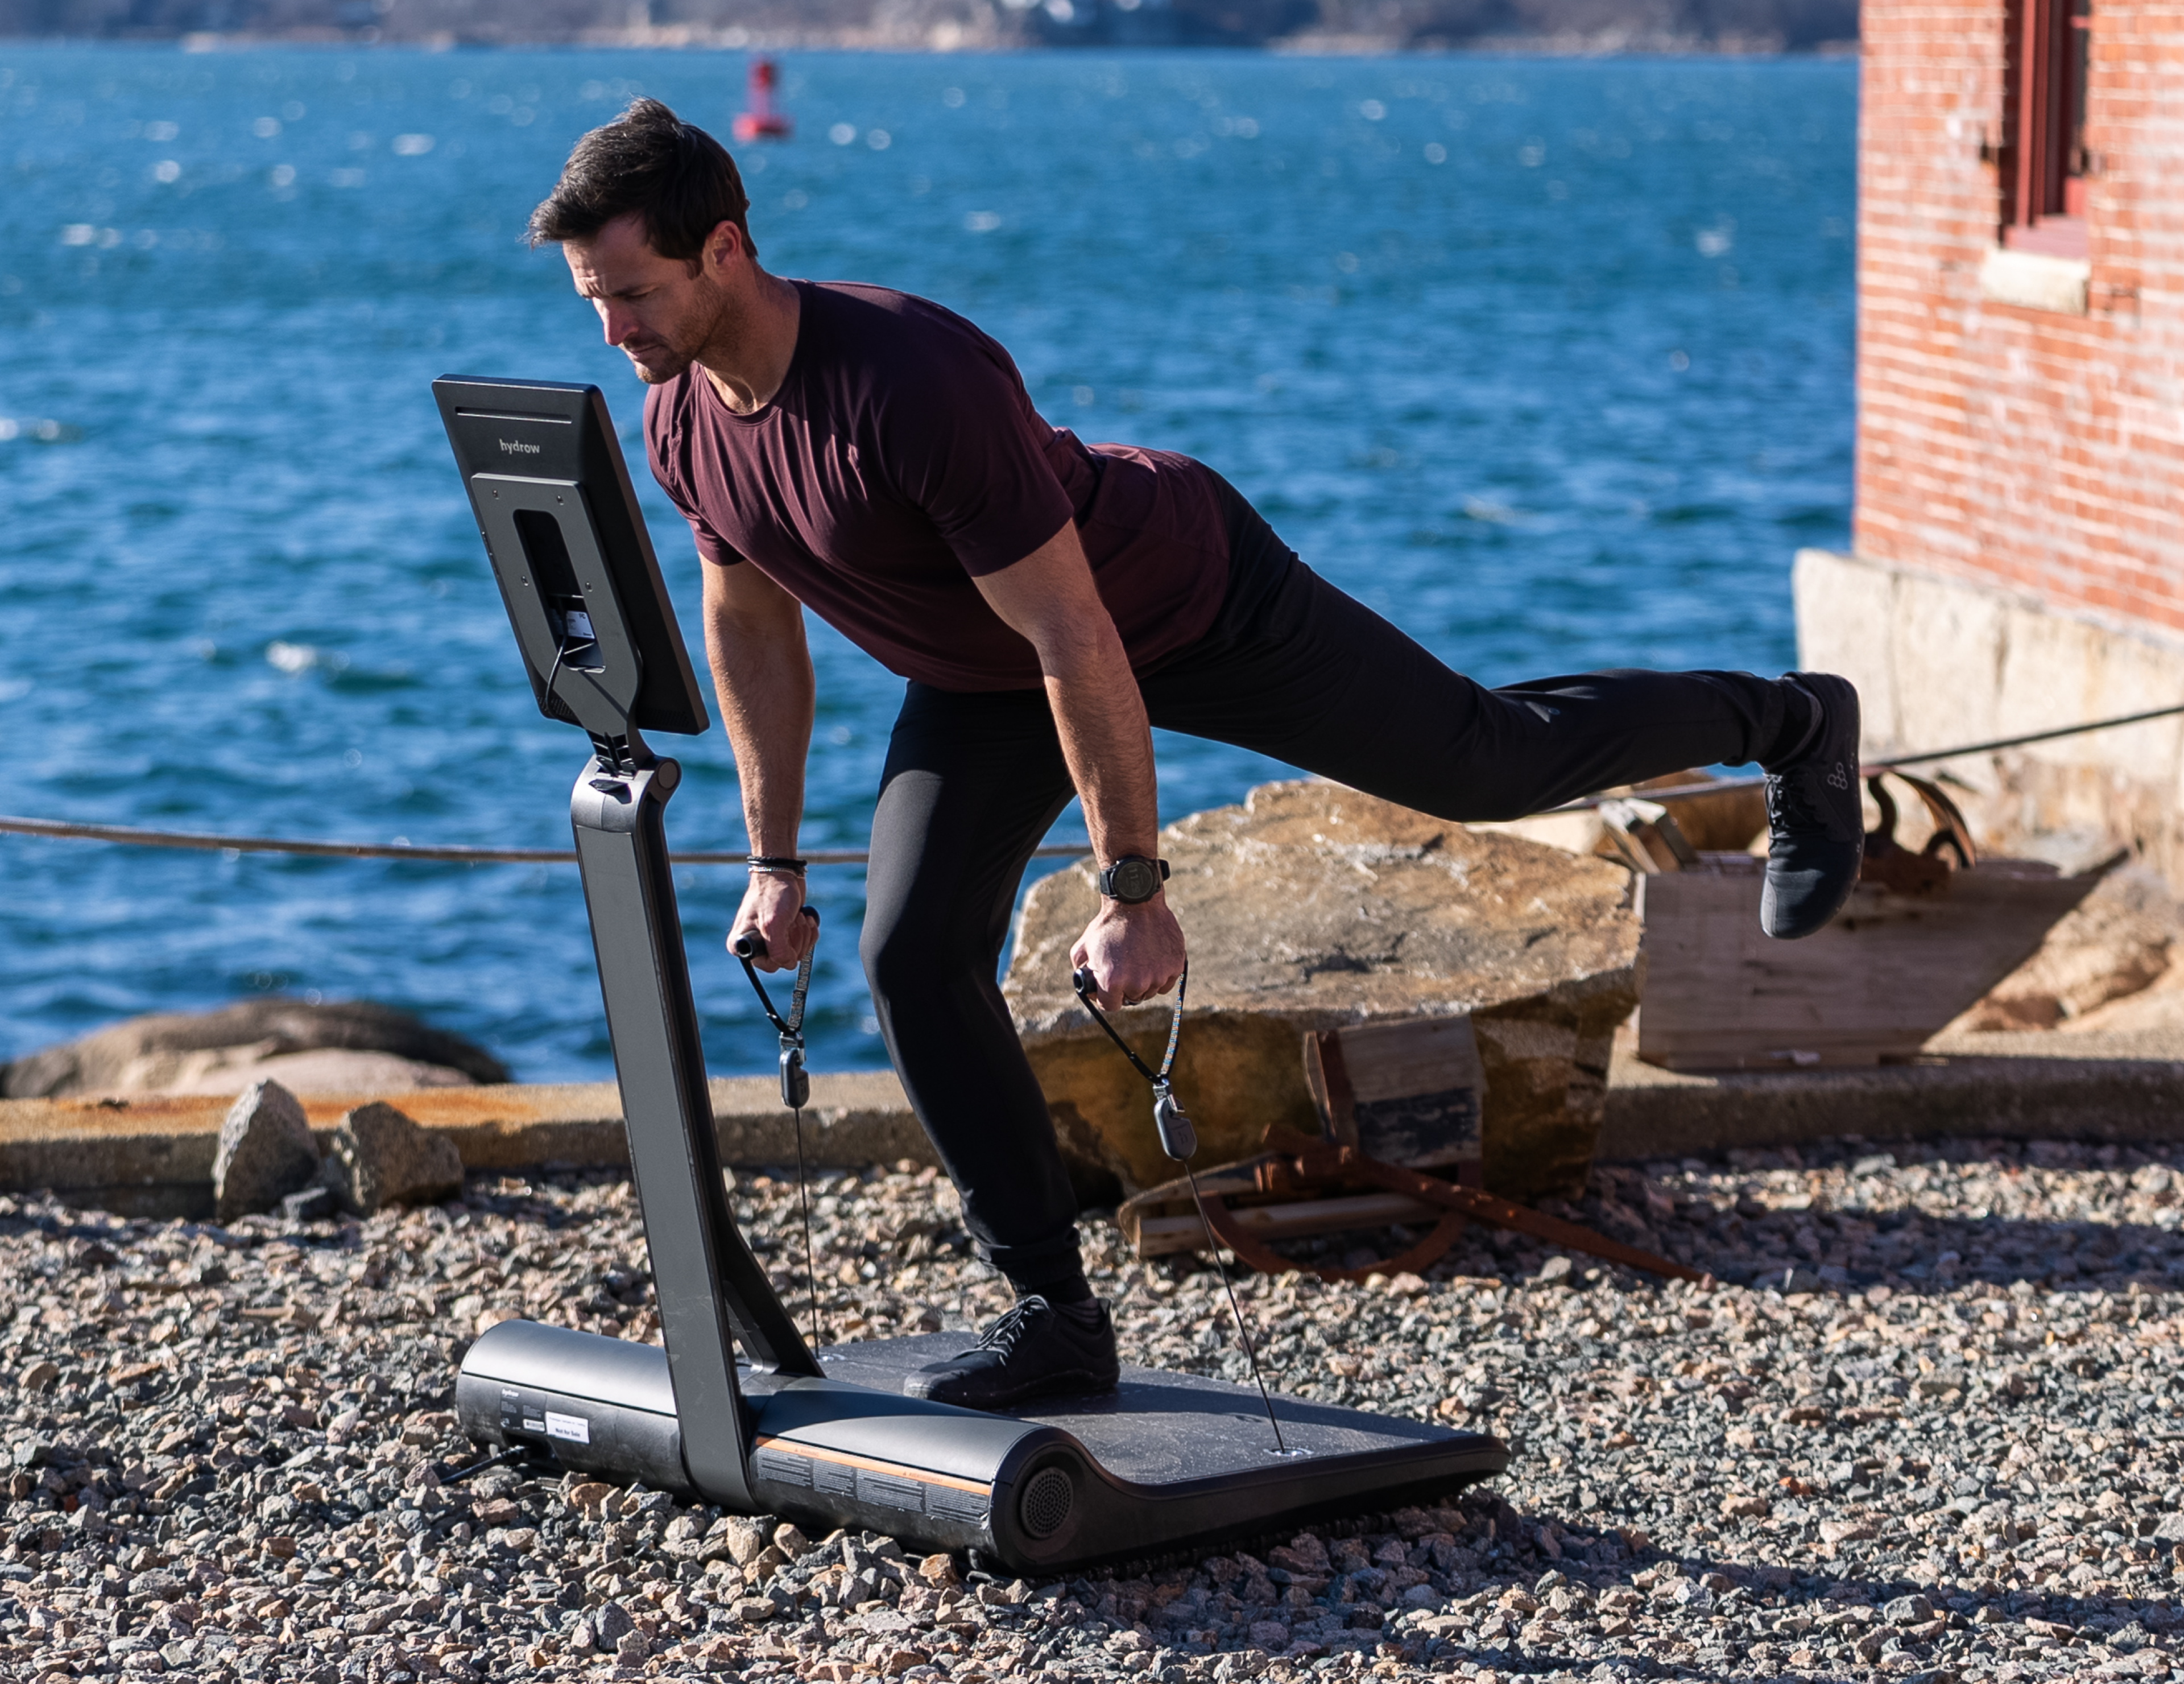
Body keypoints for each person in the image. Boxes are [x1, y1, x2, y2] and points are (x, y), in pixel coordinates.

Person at [528, 99, 1864, 1410]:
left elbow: (1078, 633)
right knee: (910, 953)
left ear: (725, 248)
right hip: (990, 672)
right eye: (595, 298)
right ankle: (1055, 1317)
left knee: (1489, 764)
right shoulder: (680, 418)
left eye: (632, 293)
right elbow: (750, 624)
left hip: (1191, 601)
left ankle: (1792, 724)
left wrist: (1132, 889)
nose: (614, 330)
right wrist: (771, 863)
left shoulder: (908, 379)